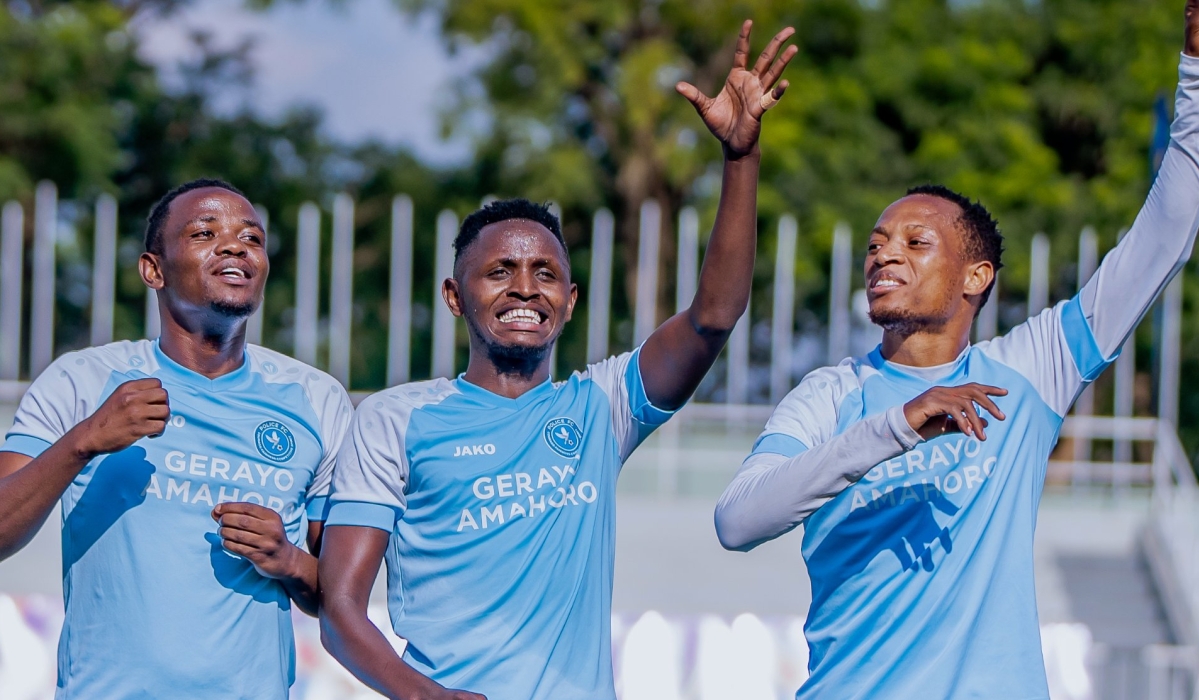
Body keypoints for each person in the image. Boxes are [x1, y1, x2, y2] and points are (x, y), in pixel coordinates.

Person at [713, 4, 1199, 699]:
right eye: (877, 244)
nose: (884, 255)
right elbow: (737, 520)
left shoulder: (1028, 370)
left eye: (916, 243)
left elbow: (1166, 232)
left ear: (976, 276)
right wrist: (896, 425)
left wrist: (1195, 75)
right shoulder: (828, 397)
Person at [317, 20, 797, 700]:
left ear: (568, 301)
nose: (522, 287)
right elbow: (340, 611)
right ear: (455, 297)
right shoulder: (396, 419)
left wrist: (739, 158)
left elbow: (713, 317)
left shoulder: (600, 406)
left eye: (543, 273)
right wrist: (427, 697)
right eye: (499, 272)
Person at [0, 179, 352, 699]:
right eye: (205, 233)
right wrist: (83, 442)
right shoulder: (82, 380)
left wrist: (290, 559)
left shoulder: (316, 399)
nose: (235, 246)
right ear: (154, 269)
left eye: (251, 238)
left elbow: (342, 595)